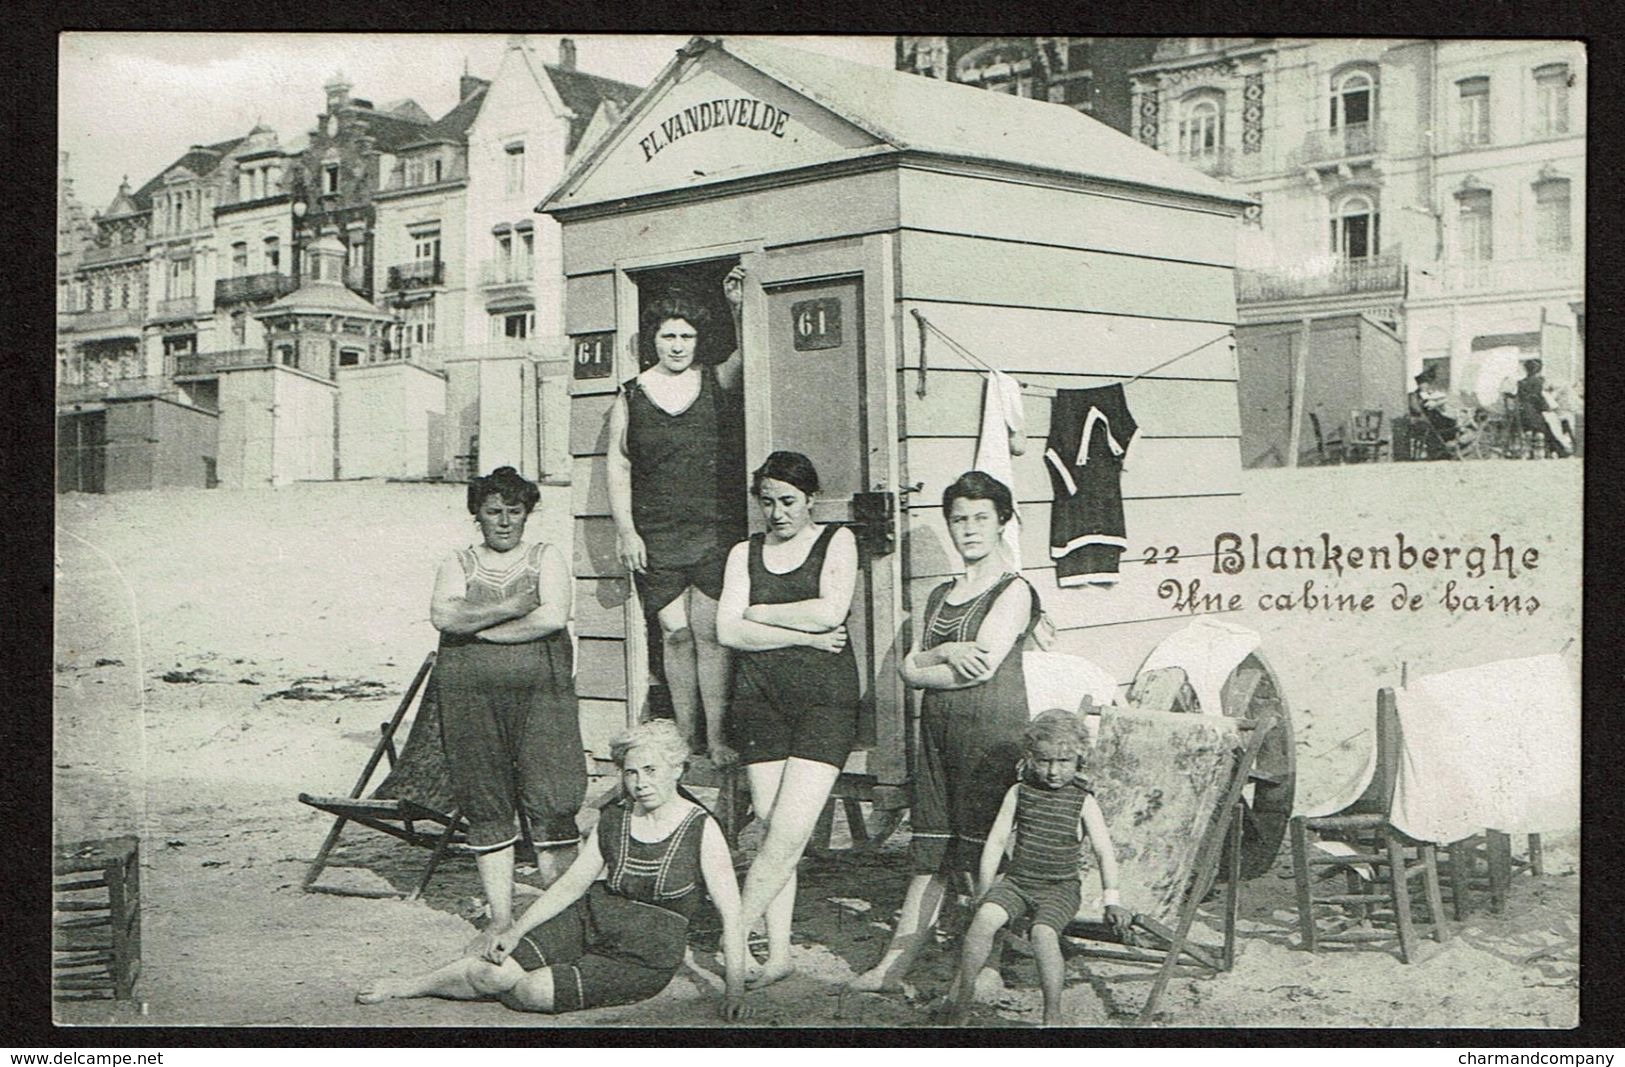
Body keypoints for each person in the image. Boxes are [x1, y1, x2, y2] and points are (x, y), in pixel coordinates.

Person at [356, 720, 752, 1021]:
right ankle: (407, 986)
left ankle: (549, 975)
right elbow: (571, 886)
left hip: (643, 954)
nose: (639, 783)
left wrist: (734, 989)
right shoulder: (615, 818)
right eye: (630, 773)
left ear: (678, 769)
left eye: (650, 770)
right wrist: (515, 932)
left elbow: (731, 915)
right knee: (489, 974)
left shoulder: (701, 827)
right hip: (590, 919)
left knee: (528, 992)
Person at [849, 471, 1036, 994]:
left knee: (985, 856)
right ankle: (894, 967)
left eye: (981, 518)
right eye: (959, 519)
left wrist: (925, 663)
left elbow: (975, 669)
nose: (969, 529)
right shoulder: (939, 595)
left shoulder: (1015, 591)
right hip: (937, 736)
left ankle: (985, 968)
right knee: (929, 853)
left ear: (1003, 522)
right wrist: (944, 652)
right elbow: (913, 667)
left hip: (991, 738)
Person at [716, 451, 860, 989]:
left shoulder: (836, 541)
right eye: (767, 502)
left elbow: (830, 611)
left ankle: (734, 930)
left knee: (791, 827)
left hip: (825, 698)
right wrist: (804, 636)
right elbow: (727, 632)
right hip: (759, 699)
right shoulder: (743, 552)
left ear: (811, 501)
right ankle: (777, 954)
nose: (777, 513)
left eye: (788, 502)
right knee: (772, 822)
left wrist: (760, 612)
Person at [428, 466, 583, 952]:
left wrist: (479, 630)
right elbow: (442, 614)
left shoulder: (545, 557)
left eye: (514, 511)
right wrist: (514, 605)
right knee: (486, 795)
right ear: (477, 514)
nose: (503, 521)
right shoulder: (457, 561)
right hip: (470, 699)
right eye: (493, 511)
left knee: (553, 792)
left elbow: (552, 617)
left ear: (527, 514)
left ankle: (565, 915)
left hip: (542, 697)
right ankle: (499, 918)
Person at [608, 267, 747, 765]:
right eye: (668, 335)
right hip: (657, 532)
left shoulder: (713, 379)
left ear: (698, 339)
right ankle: (686, 738)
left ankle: (717, 737)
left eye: (687, 336)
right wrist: (626, 530)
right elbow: (619, 464)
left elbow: (748, 354)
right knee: (676, 633)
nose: (678, 345)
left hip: (713, 529)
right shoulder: (631, 393)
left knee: (710, 635)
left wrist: (738, 305)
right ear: (654, 339)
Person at [944, 709, 1130, 1026]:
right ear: (1031, 758)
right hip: (1017, 882)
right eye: (1044, 761)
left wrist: (1112, 898)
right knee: (983, 921)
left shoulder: (1082, 801)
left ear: (1079, 760)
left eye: (1063, 762)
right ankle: (961, 1002)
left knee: (1043, 934)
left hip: (1060, 888)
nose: (1053, 771)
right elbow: (997, 841)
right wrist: (985, 889)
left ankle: (1052, 1014)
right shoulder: (1019, 792)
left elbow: (1103, 851)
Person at [1516, 359, 1574, 457]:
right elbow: (1539, 398)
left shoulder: (1521, 383)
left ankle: (1531, 452)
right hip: (1534, 414)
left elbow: (1521, 397)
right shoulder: (1538, 382)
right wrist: (1547, 408)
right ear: (1537, 370)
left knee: (1546, 427)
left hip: (1523, 414)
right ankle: (1559, 452)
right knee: (1548, 429)